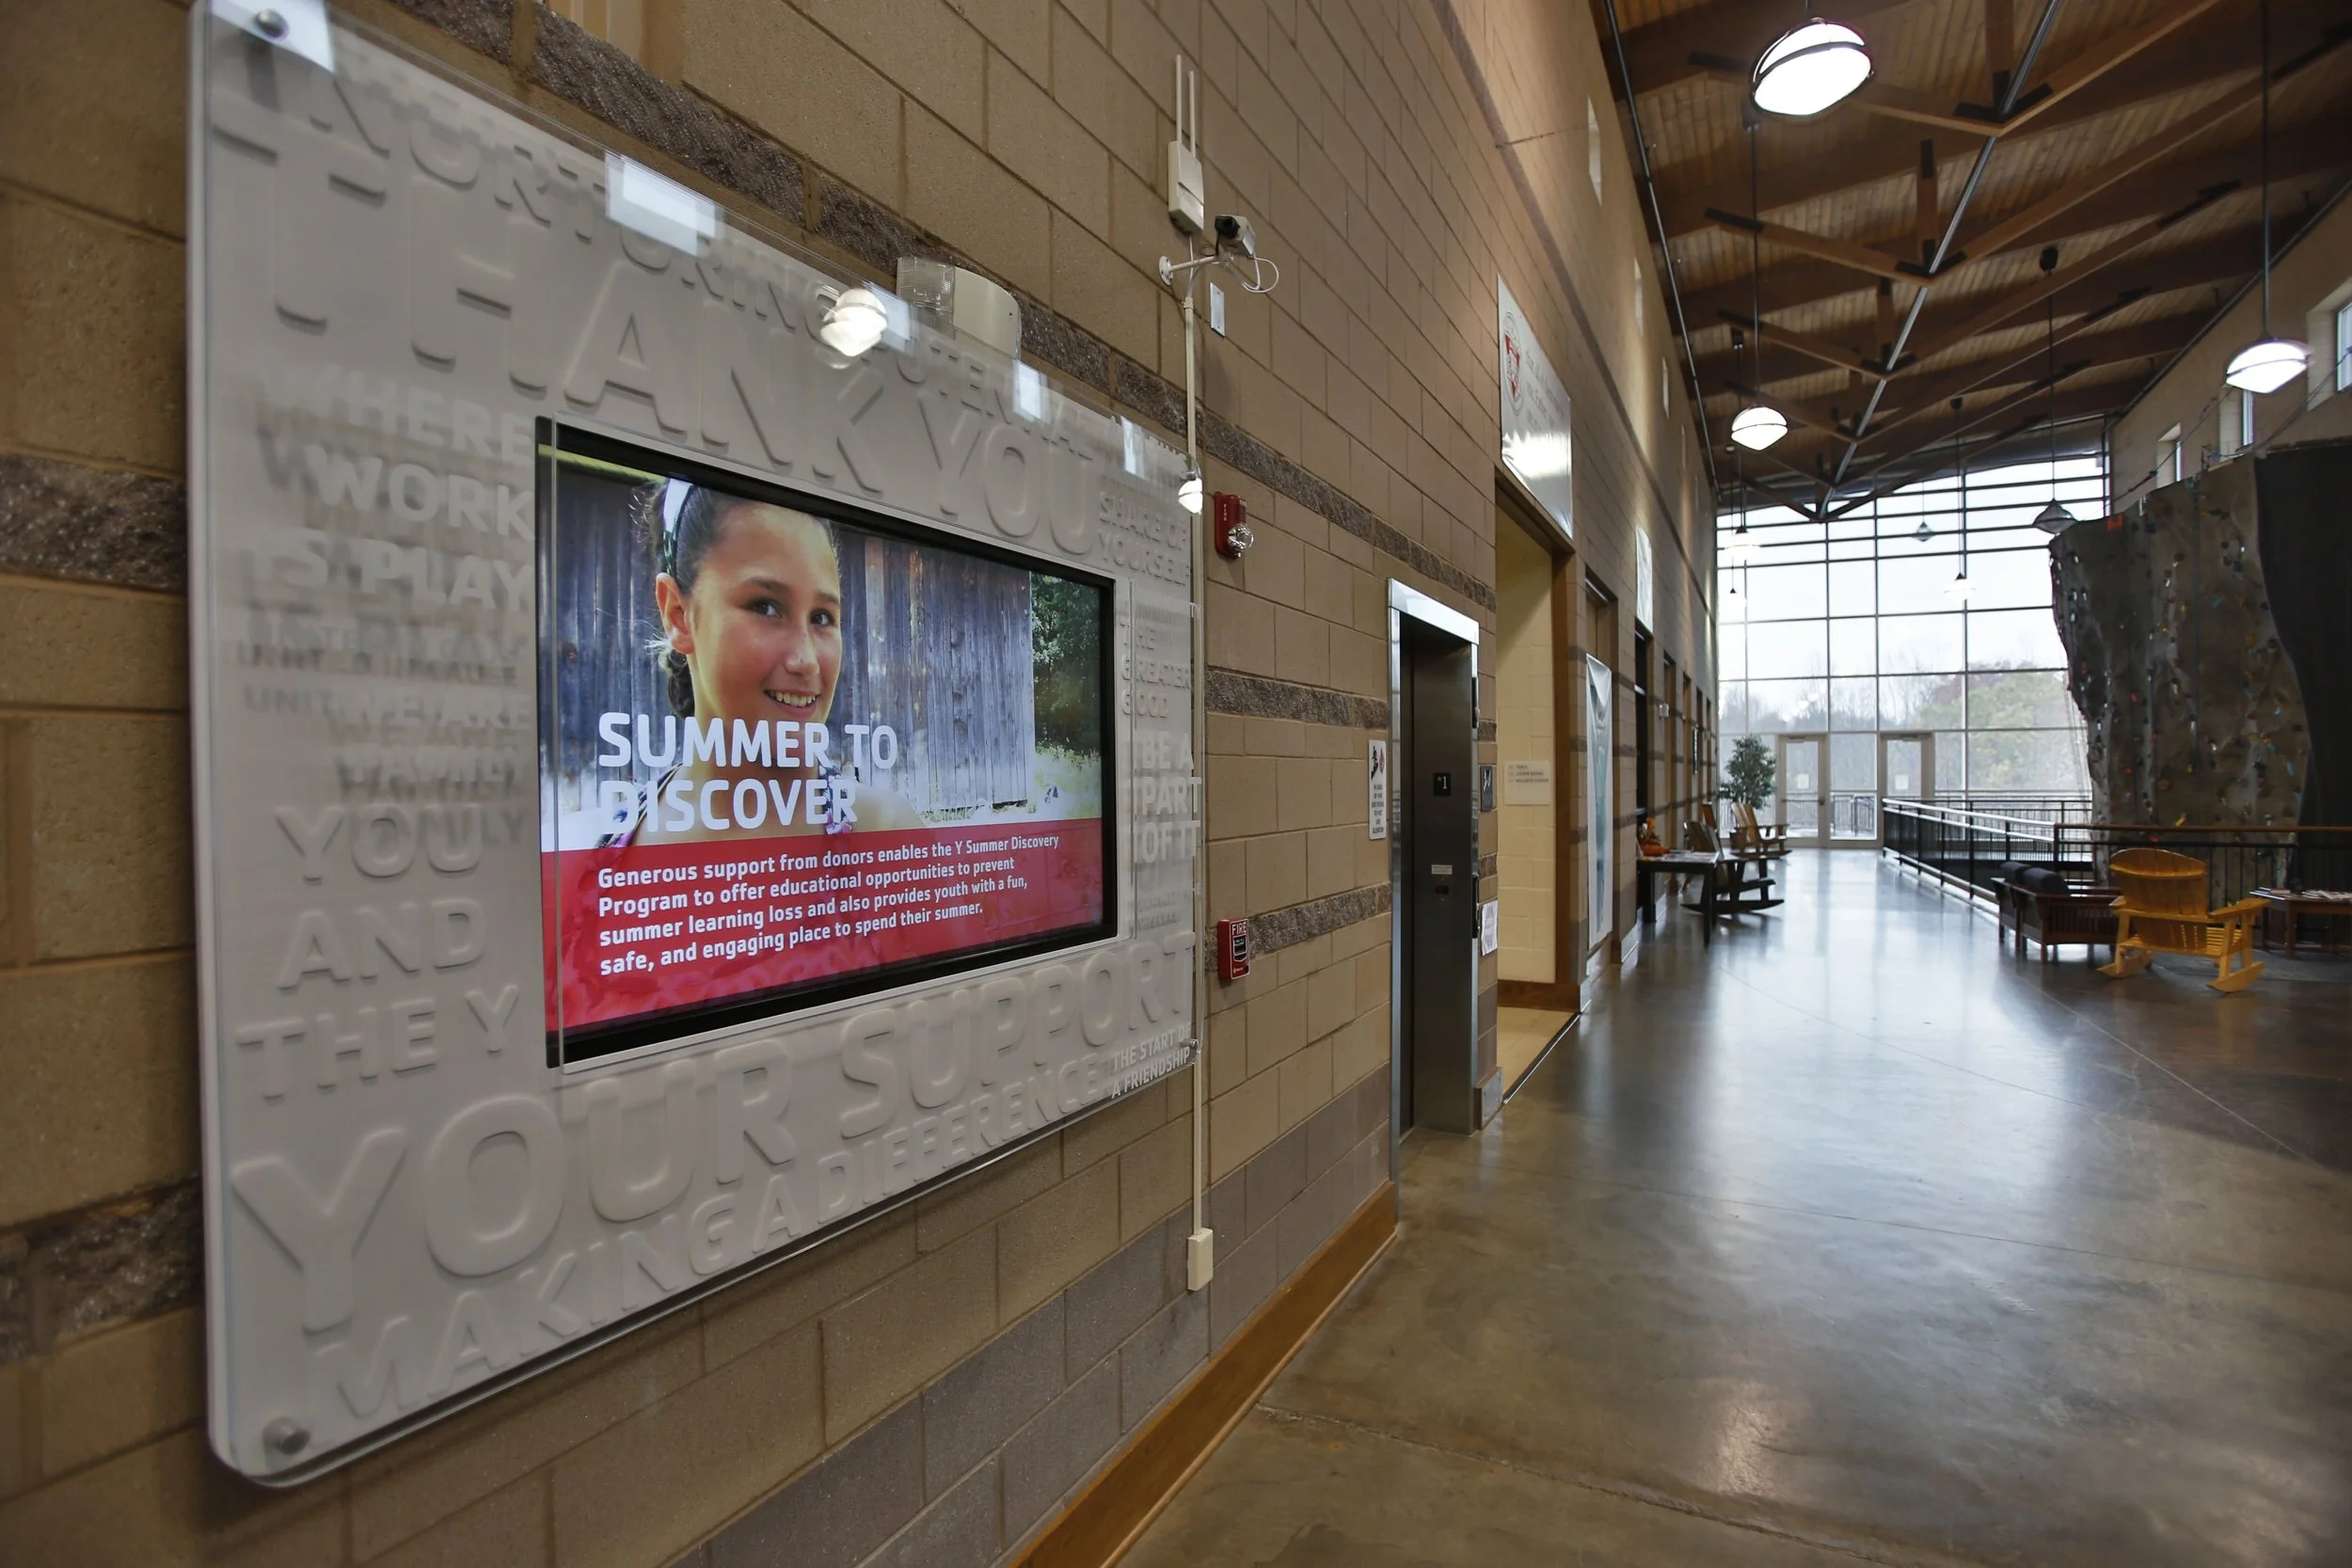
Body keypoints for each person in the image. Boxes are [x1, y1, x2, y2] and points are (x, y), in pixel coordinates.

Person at [606, 478, 920, 846]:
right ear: (678, 613)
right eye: (765, 607)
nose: (806, 661)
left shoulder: (887, 833)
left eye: (821, 617)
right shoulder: (593, 861)